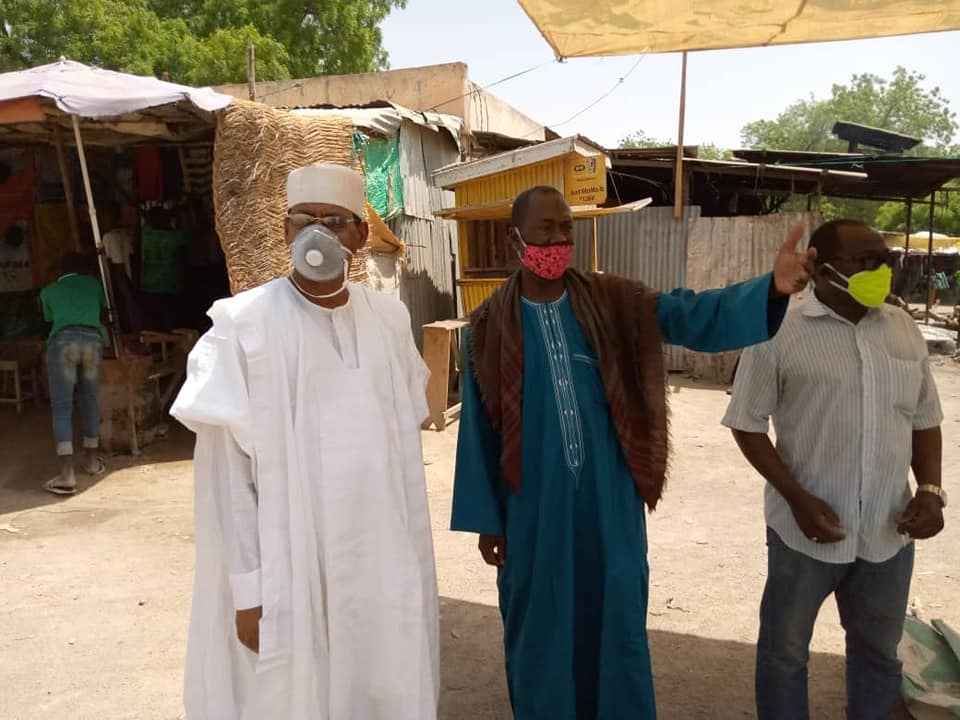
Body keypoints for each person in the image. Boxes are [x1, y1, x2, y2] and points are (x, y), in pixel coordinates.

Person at [451, 185, 815, 719]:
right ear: (515, 240)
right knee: (541, 629)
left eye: (566, 228)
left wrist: (770, 289)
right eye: (544, 229)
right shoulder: (486, 330)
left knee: (616, 619)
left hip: (610, 502)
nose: (557, 240)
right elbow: (478, 433)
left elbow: (688, 314)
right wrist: (489, 522)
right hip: (533, 512)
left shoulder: (613, 302)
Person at [170, 163, 439, 719]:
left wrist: (411, 559)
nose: (318, 233)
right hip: (289, 559)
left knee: (382, 676)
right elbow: (229, 477)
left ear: (360, 235)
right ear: (285, 230)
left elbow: (403, 454)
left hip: (378, 553)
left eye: (334, 222)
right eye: (304, 220)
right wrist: (249, 590)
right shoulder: (243, 326)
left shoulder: (388, 319)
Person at [723, 219, 945, 720]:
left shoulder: (903, 329)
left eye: (886, 261)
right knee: (784, 655)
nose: (881, 271)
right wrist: (796, 498)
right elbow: (746, 423)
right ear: (822, 269)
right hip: (806, 531)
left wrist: (930, 489)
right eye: (866, 262)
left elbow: (924, 418)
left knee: (878, 656)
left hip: (888, 531)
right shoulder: (778, 331)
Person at [39, 252, 108, 495]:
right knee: (89, 400)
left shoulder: (48, 291)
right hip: (92, 342)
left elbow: (50, 319)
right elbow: (103, 310)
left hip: (62, 344)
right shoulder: (94, 285)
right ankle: (91, 461)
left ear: (60, 270)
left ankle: (67, 473)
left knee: (62, 406)